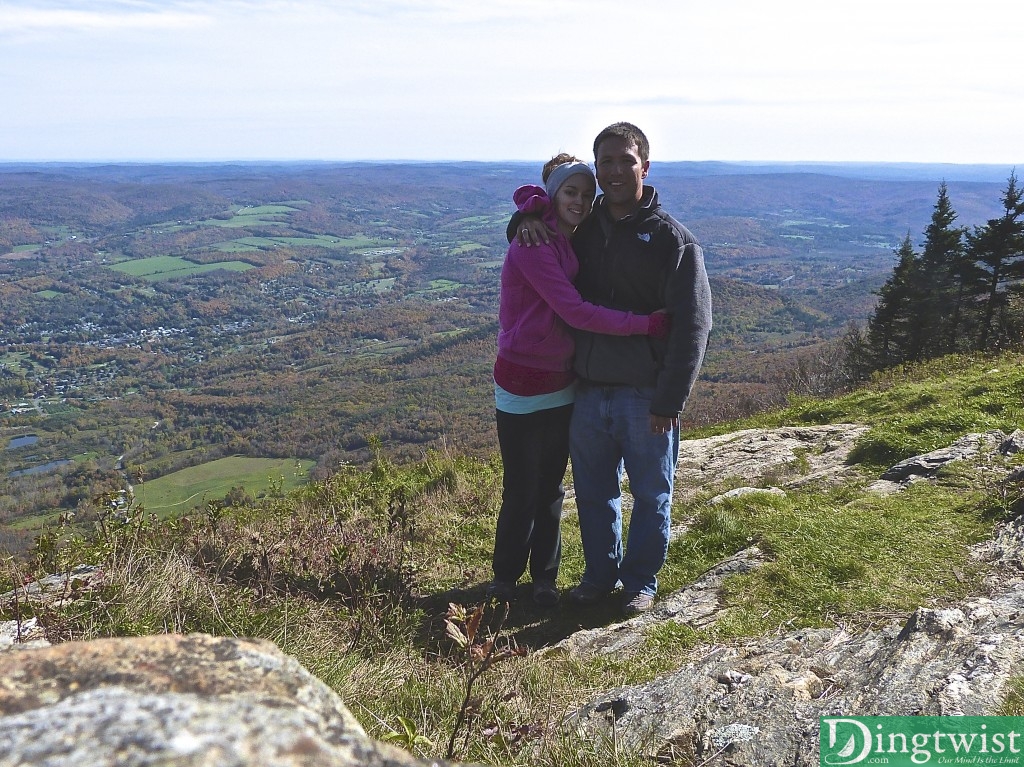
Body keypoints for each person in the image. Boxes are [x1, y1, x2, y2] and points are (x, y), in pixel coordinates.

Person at [511, 123, 712, 616]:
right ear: (597, 170)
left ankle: (639, 581)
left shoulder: (672, 240)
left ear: (645, 165)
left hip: (644, 394)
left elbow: (694, 326)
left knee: (650, 493)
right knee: (594, 493)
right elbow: (544, 228)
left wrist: (671, 399)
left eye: (626, 160)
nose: (616, 171)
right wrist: (520, 222)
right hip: (587, 387)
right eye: (607, 163)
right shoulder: (585, 227)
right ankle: (599, 577)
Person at [489, 153, 670, 607]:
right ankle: (506, 579)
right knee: (521, 488)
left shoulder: (572, 236)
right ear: (553, 195)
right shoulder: (534, 242)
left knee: (549, 486)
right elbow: (572, 309)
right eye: (571, 192)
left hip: (563, 381)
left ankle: (544, 580)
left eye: (587, 195)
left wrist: (528, 212)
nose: (581, 201)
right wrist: (643, 324)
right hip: (521, 380)